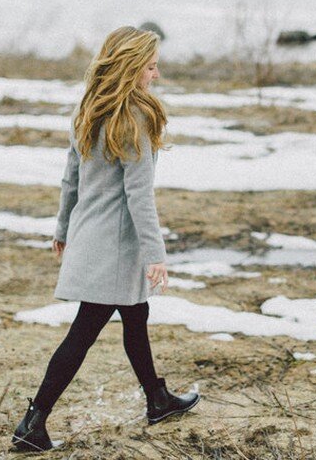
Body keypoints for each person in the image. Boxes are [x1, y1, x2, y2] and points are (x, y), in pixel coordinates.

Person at [12, 26, 199, 452]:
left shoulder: (88, 109)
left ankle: (157, 399)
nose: (157, 75)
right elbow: (139, 195)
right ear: (132, 69)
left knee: (136, 316)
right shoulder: (134, 117)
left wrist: (62, 229)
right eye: (151, 67)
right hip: (116, 245)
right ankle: (32, 423)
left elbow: (70, 179)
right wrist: (156, 254)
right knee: (85, 330)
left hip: (92, 236)